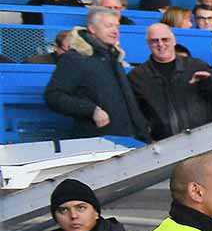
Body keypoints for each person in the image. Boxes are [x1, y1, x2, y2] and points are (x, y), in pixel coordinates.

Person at [44, 8, 151, 140]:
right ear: (92, 29)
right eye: (108, 26)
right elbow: (53, 96)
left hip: (127, 141)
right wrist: (92, 110)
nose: (115, 31)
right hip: (98, 144)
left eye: (117, 26)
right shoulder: (76, 58)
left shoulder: (113, 57)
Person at [128, 24, 212, 139]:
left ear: (174, 41)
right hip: (162, 144)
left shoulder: (196, 65)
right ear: (148, 44)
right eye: (154, 41)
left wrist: (209, 82)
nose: (160, 44)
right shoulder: (137, 76)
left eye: (165, 39)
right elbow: (135, 113)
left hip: (202, 138)